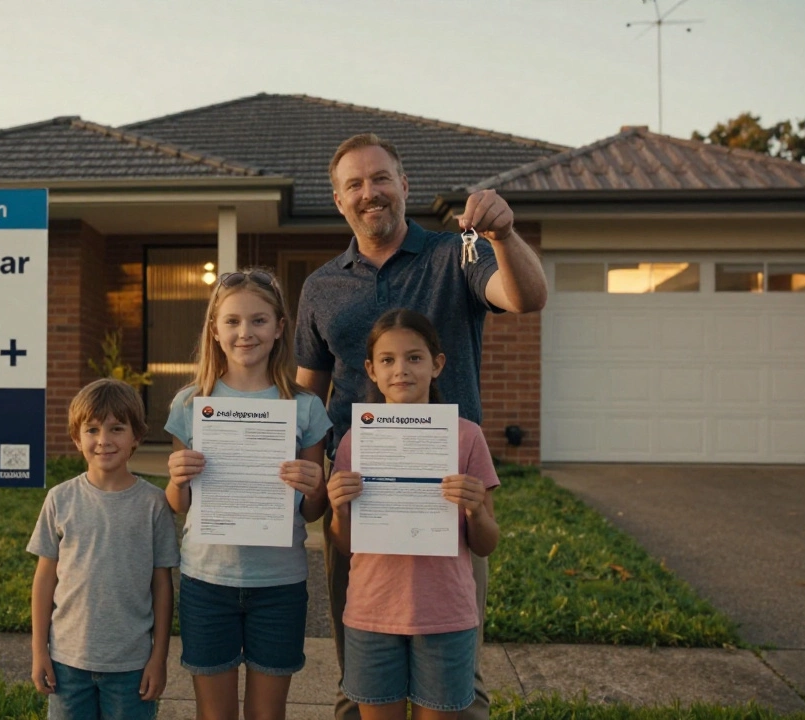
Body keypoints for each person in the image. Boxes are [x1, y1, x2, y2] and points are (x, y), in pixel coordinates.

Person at [294, 133, 547, 720]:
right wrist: (309, 488)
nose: (369, 192)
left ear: (404, 185)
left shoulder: (456, 254)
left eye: (381, 178)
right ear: (338, 200)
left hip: (448, 488)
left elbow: (526, 297)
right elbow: (309, 398)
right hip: (361, 489)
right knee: (358, 664)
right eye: (354, 184)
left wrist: (503, 236)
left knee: (456, 668)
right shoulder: (321, 287)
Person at [164, 267, 333, 720]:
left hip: (279, 583)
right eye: (233, 321)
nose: (246, 332)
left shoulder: (305, 408)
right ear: (215, 330)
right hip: (207, 580)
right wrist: (177, 479)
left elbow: (314, 511)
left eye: (259, 320)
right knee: (213, 714)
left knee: (267, 714)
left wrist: (315, 487)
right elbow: (180, 506)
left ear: (280, 329)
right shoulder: (190, 404)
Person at [325, 309, 501, 720]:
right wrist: (338, 510)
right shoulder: (356, 440)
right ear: (370, 370)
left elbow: (487, 542)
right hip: (373, 610)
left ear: (437, 364)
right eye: (387, 360)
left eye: (414, 358)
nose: (400, 369)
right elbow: (346, 544)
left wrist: (475, 511)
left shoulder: (465, 436)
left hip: (444, 613)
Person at [28, 378, 179, 720]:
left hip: (132, 666)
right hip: (68, 661)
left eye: (116, 428)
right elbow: (43, 580)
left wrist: (159, 657)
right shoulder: (60, 499)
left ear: (136, 436)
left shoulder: (154, 504)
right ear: (76, 439)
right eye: (92, 430)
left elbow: (162, 585)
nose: (104, 440)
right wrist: (40, 651)